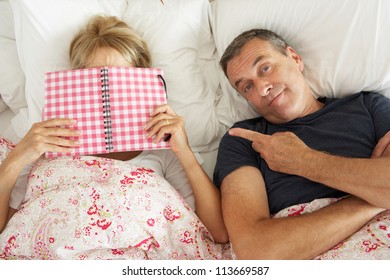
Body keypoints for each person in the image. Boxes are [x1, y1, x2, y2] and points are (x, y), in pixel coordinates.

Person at [0, 15, 228, 244]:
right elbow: (12, 231)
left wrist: (184, 152)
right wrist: (14, 160)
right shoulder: (44, 145)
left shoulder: (163, 151)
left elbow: (217, 233)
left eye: (120, 78)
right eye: (95, 79)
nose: (106, 94)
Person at [213, 28, 390, 259]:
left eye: (265, 68)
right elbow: (256, 249)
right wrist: (373, 198)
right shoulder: (244, 139)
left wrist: (302, 161)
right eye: (247, 86)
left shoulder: (369, 107)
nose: (262, 88)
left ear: (295, 58)